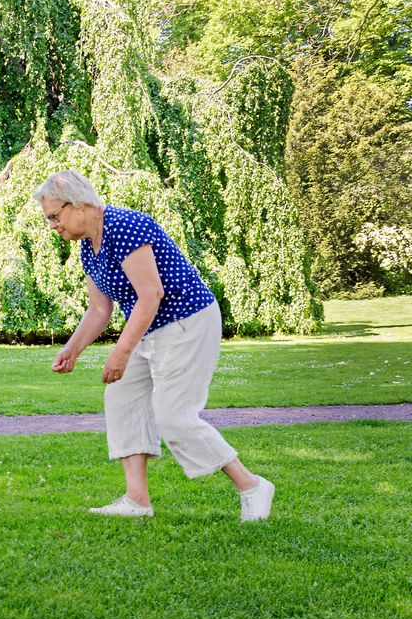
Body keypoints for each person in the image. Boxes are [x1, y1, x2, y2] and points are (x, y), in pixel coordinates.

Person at [34, 170, 275, 521]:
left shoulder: (126, 226)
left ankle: (251, 485)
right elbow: (99, 309)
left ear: (80, 205)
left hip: (186, 321)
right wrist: (72, 349)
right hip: (148, 327)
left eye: (54, 216)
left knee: (174, 416)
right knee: (122, 398)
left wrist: (121, 351)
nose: (53, 225)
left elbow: (151, 294)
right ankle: (137, 501)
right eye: (49, 219)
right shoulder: (88, 248)